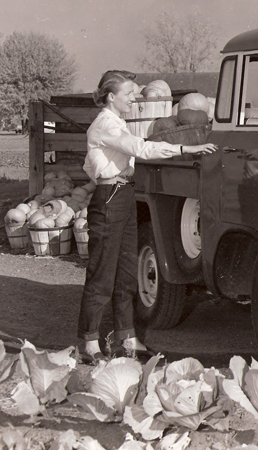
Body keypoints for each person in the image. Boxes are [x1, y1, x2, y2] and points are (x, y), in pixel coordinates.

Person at [77, 70, 217, 363]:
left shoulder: (117, 123)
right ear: (111, 96)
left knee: (127, 274)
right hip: (110, 200)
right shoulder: (105, 125)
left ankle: (127, 339)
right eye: (128, 93)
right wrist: (185, 148)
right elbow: (139, 148)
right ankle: (88, 343)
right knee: (103, 275)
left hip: (123, 195)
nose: (134, 98)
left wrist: (107, 175)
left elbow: (89, 165)